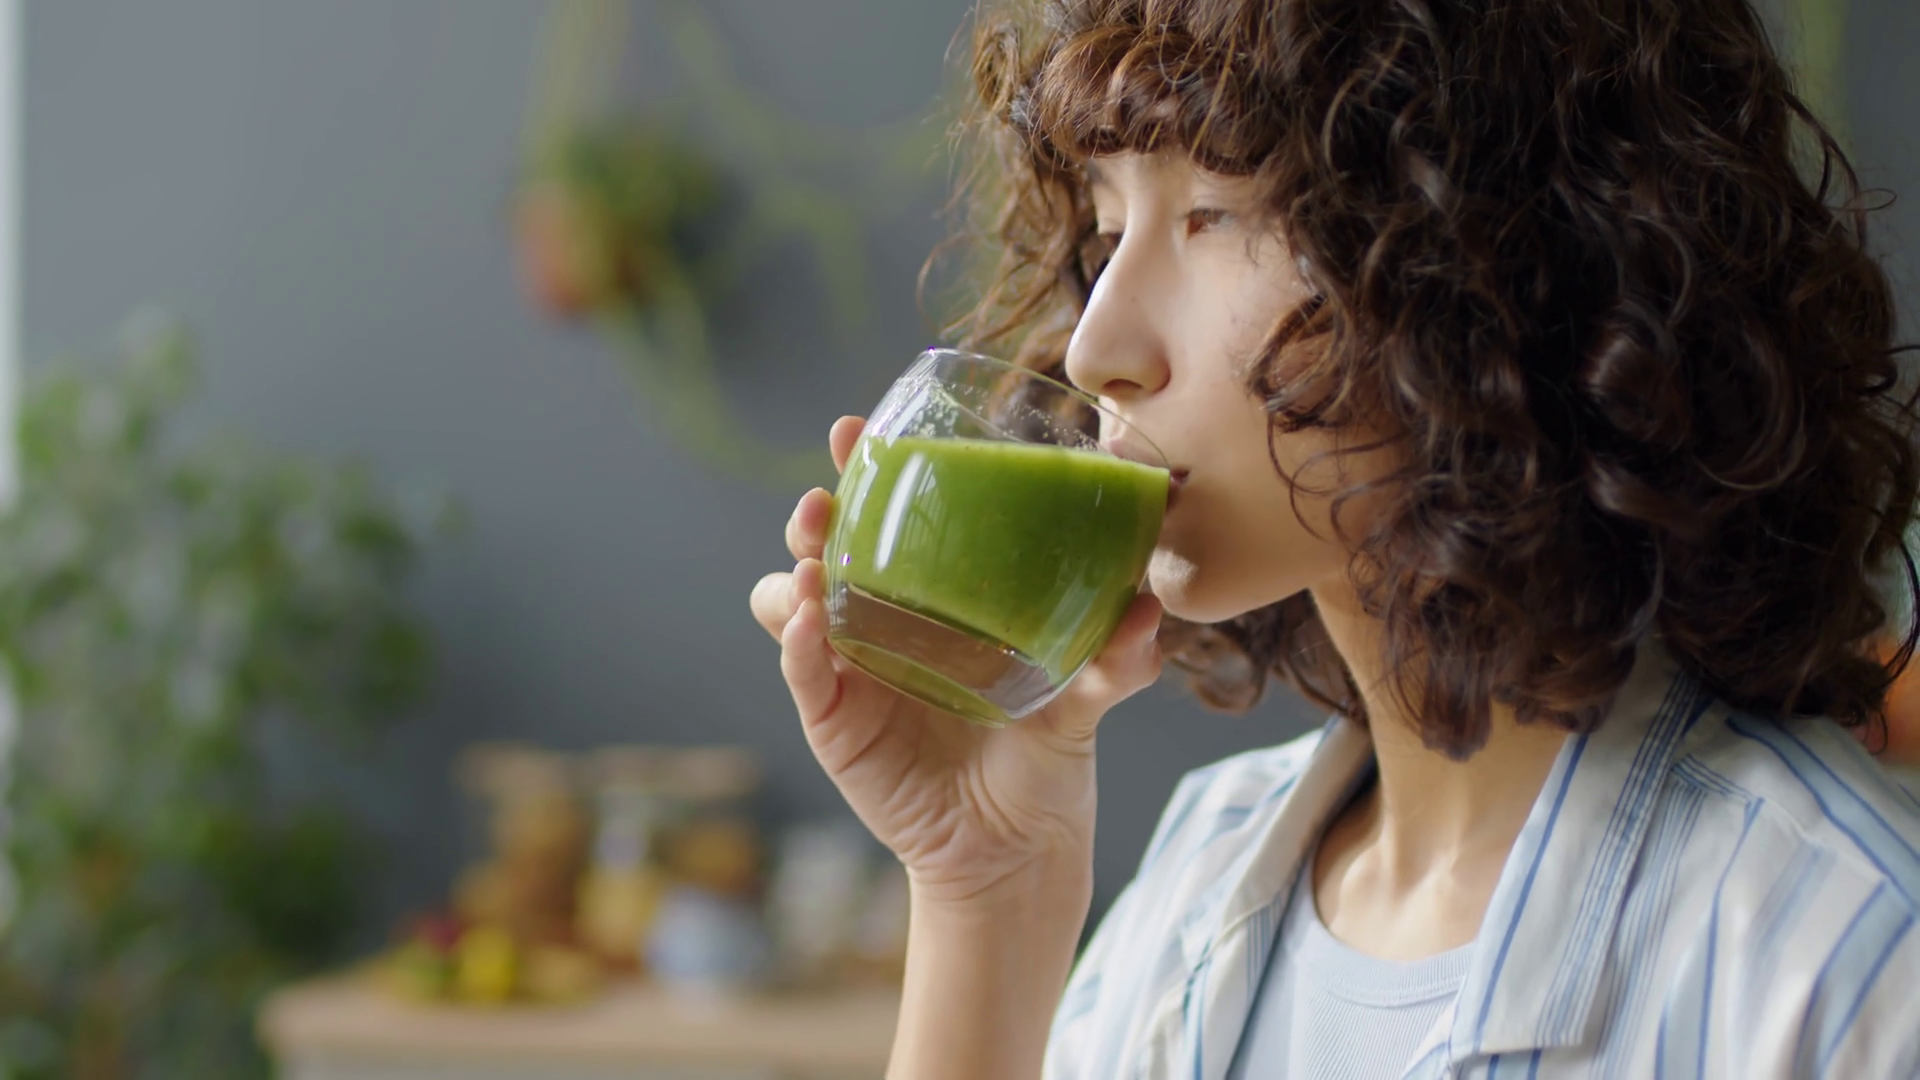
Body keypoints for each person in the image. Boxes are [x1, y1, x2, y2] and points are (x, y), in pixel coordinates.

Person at [750, 0, 1920, 1075]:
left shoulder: (1848, 964)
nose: (1098, 348)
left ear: (1510, 245)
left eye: (1213, 212)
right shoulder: (1199, 887)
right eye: (1106, 232)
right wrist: (986, 892)